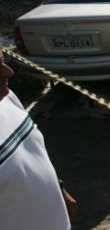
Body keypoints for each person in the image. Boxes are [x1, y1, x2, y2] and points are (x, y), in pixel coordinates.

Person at [0, 50, 77, 229]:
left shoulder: (7, 98)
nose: (8, 72)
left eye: (2, 61)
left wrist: (59, 188)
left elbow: (31, 150)